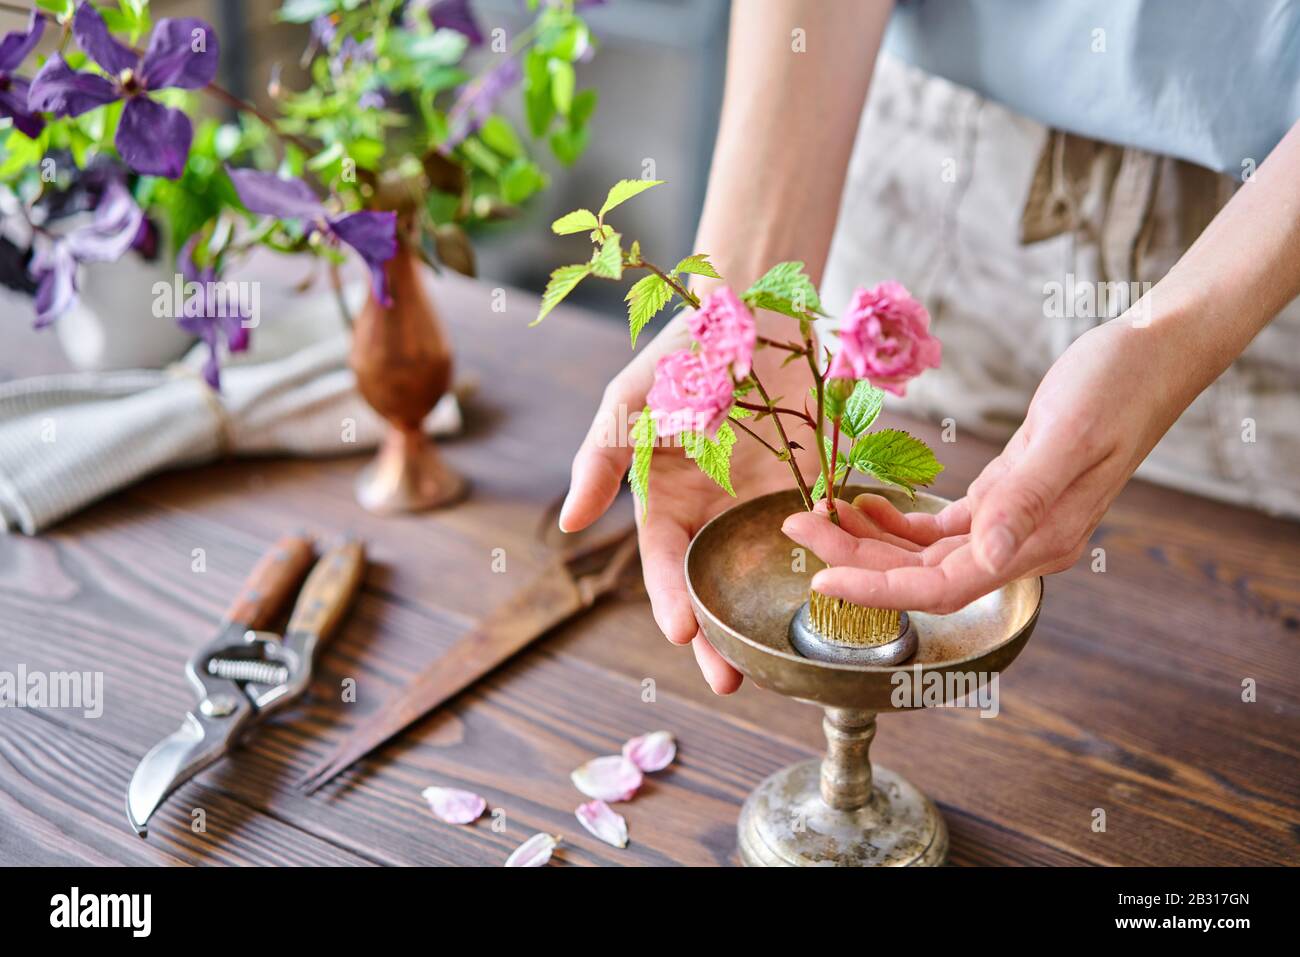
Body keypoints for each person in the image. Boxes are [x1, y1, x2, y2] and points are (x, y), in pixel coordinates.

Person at [558, 0, 1300, 693]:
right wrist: (742, 312)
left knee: (1228, 653)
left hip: (1259, 244)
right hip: (918, 148)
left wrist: (1169, 340)